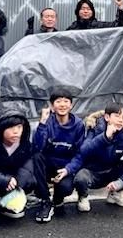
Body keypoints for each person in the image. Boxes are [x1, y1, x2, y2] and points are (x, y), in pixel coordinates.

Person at [73, 101, 123, 212]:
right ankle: (83, 196)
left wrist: (120, 183)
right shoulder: (93, 129)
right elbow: (84, 151)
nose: (120, 120)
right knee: (80, 177)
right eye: (117, 116)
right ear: (107, 117)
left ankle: (114, 194)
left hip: (110, 173)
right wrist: (105, 137)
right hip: (91, 174)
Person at [33, 91, 85, 221]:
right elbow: (37, 147)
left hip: (65, 166)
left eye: (66, 101)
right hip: (48, 165)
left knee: (65, 188)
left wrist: (68, 169)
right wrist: (42, 123)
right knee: (36, 156)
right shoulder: (47, 122)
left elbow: (80, 154)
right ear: (52, 106)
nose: (62, 105)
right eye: (58, 101)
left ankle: (57, 198)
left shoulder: (78, 125)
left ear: (71, 105)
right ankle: (45, 201)